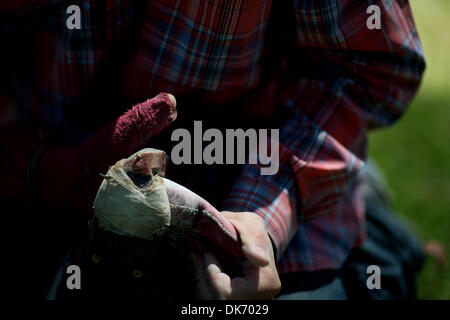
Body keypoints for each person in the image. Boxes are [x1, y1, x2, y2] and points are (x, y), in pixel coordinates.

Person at [0, 0, 426, 299]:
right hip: (35, 165)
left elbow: (365, 72)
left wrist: (266, 211)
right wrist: (33, 167)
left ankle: (367, 210)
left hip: (250, 156)